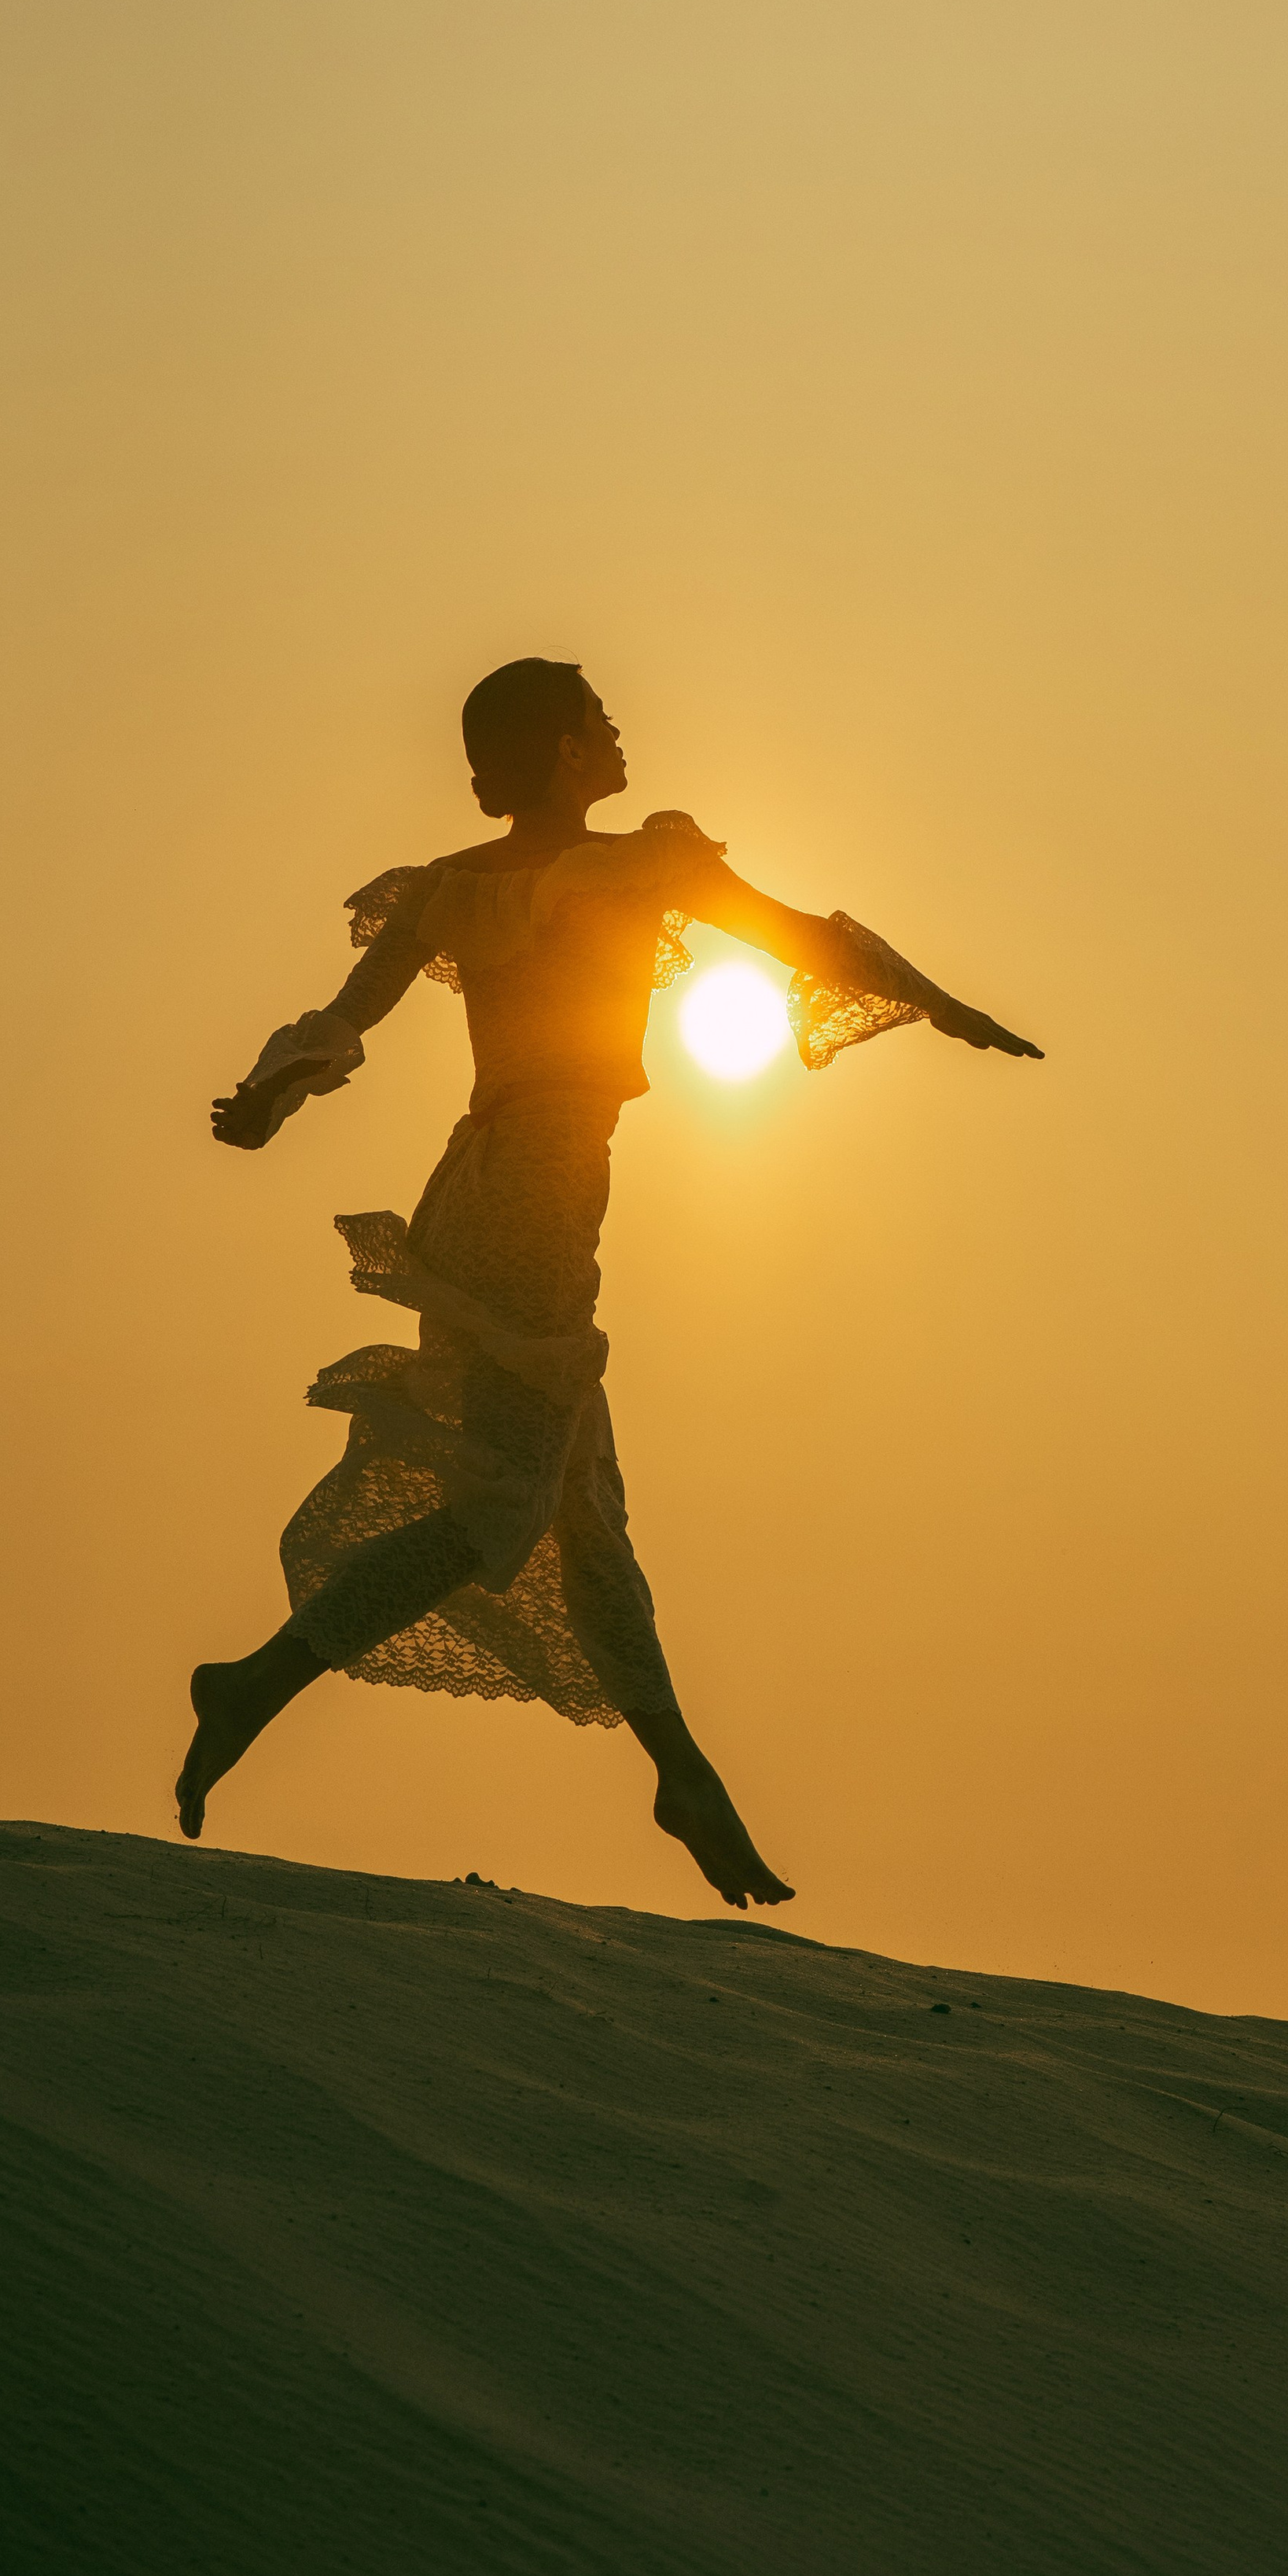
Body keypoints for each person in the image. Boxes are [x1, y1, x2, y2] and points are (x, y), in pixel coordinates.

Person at [178, 659, 1042, 1906]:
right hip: (534, 1187)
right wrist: (951, 1008)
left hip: (483, 1180)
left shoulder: (452, 890)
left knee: (582, 1499)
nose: (620, 729)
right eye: (599, 720)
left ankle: (682, 1772)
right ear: (565, 753)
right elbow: (807, 942)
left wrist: (268, 1101)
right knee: (508, 1503)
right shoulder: (646, 863)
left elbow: (339, 1020)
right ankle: (258, 1679)